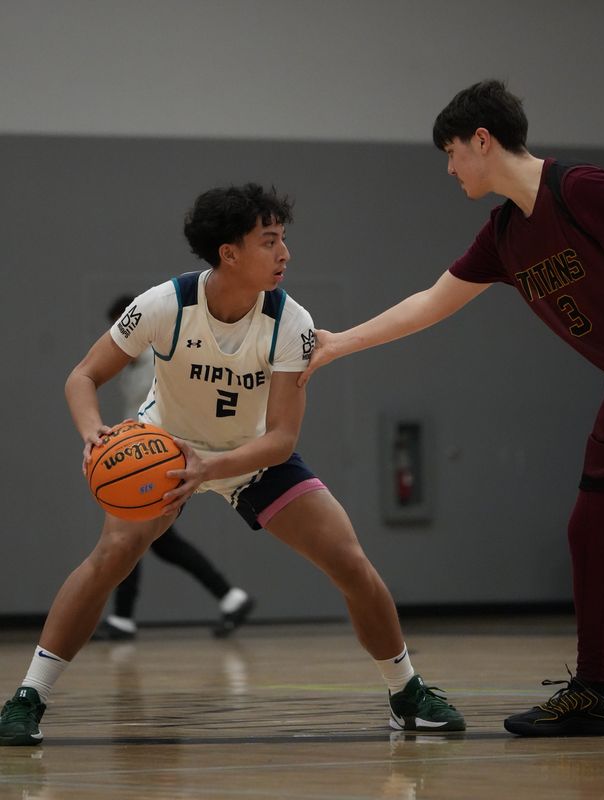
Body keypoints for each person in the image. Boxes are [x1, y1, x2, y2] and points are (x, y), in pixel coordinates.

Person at [0, 183, 465, 746]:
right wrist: (93, 434)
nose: (285, 253)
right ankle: (29, 697)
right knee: (111, 556)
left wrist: (214, 466)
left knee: (348, 559)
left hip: (249, 456)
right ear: (229, 252)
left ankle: (406, 693)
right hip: (164, 449)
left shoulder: (290, 323)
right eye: (270, 241)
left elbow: (282, 438)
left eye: (284, 240)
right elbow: (82, 376)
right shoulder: (163, 305)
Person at [298, 80, 604, 737]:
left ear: (483, 139)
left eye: (452, 152)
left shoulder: (582, 190)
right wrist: (338, 345)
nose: (449, 169)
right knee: (588, 532)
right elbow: (430, 303)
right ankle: (594, 692)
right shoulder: (505, 236)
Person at [92, 294, 254, 641]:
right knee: (150, 541)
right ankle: (229, 596)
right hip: (143, 460)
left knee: (131, 534)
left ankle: (122, 618)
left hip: (163, 459)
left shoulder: (159, 358)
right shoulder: (129, 369)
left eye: (123, 325)